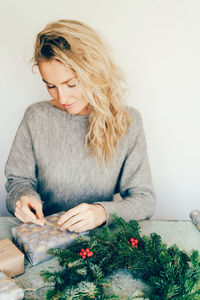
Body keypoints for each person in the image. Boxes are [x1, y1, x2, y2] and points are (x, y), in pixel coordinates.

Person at [5, 19, 156, 233]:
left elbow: (145, 199)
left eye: (71, 84)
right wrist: (22, 197)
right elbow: (18, 180)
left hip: (99, 247)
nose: (63, 97)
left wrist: (102, 212)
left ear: (94, 73)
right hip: (42, 240)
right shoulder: (35, 116)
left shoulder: (127, 122)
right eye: (51, 86)